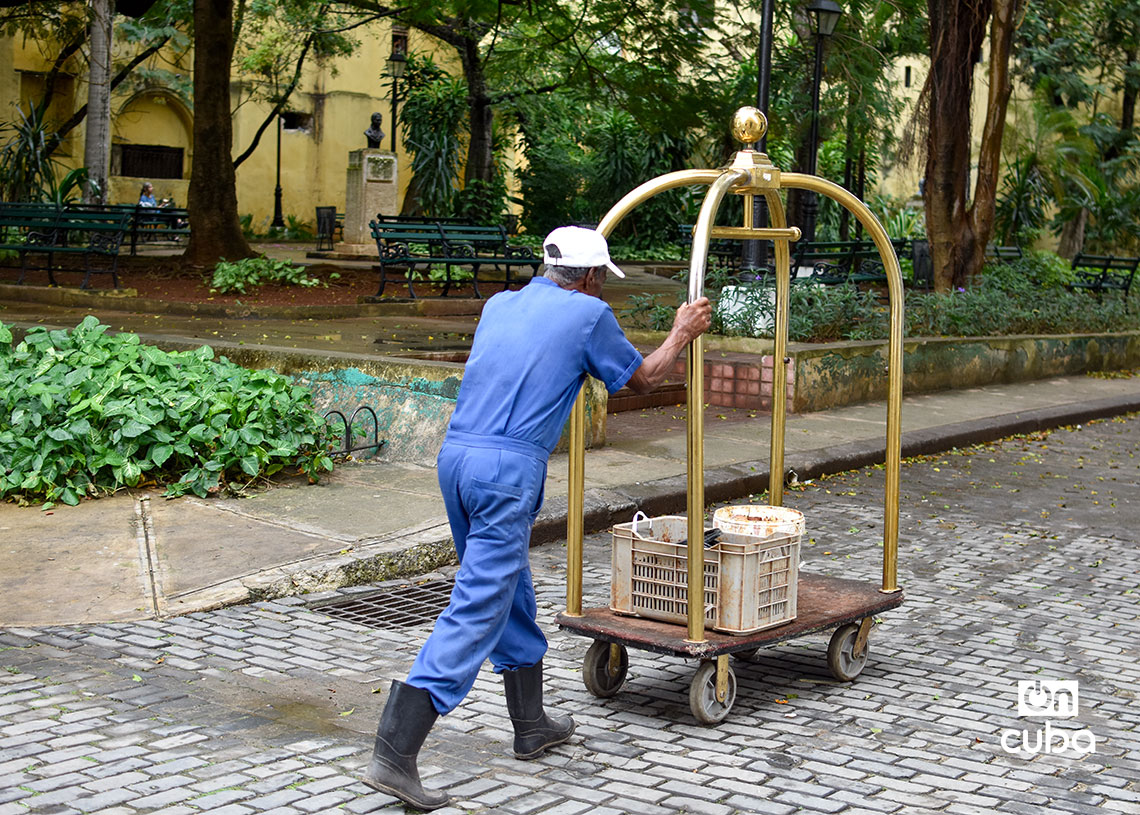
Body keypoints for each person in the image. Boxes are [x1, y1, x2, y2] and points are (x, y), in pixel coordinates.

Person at [362, 226, 712, 810]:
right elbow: (643, 377)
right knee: (480, 600)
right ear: (593, 277)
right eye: (603, 281)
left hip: (457, 460)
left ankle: (531, 726)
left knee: (508, 589)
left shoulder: (501, 303)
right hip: (506, 471)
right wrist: (681, 333)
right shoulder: (588, 316)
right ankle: (396, 748)